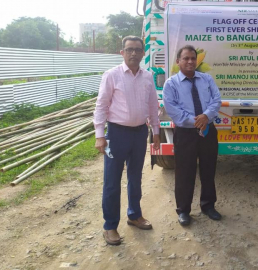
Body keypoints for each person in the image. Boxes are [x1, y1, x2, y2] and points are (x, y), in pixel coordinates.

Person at [93, 36, 161, 246]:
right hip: (116, 134)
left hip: (139, 133)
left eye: (137, 50)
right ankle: (110, 226)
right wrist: (99, 135)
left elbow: (152, 105)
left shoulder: (147, 76)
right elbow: (101, 106)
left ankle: (134, 214)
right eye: (129, 49)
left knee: (135, 177)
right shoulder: (112, 75)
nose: (133, 53)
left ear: (143, 53)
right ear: (122, 52)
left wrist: (156, 131)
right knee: (112, 182)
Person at [162, 45, 222, 226]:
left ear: (197, 61)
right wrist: (197, 121)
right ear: (178, 61)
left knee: (208, 170)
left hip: (208, 131)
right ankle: (183, 211)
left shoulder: (207, 79)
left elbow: (216, 100)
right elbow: (173, 110)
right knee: (184, 173)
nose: (190, 62)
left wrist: (206, 117)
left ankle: (208, 206)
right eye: (186, 58)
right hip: (185, 134)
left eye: (193, 59)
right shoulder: (170, 84)